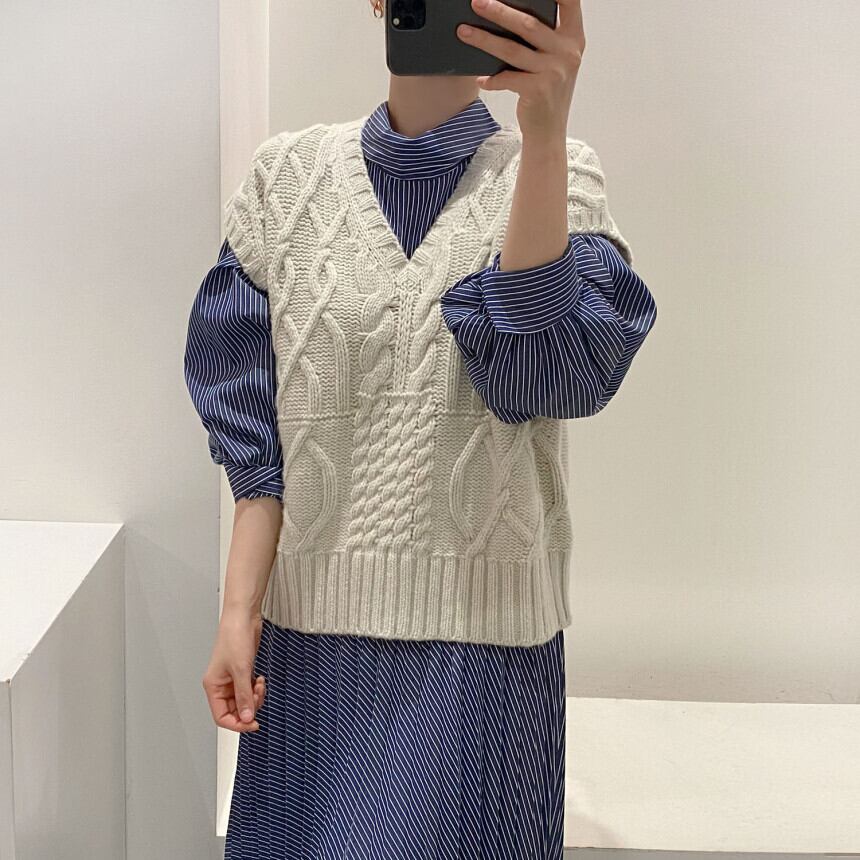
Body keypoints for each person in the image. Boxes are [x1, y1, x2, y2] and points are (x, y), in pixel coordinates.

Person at [183, 0, 657, 856]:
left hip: (482, 654)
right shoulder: (284, 179)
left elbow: (540, 378)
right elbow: (257, 438)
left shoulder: (561, 173)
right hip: (307, 647)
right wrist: (237, 612)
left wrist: (545, 133)